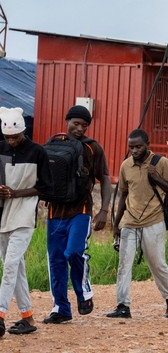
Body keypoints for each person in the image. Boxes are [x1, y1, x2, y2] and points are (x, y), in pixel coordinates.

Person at [45, 105, 113, 324]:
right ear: (67, 122)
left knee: (74, 252)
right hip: (55, 212)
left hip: (81, 211)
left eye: (84, 125)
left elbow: (103, 178)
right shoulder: (54, 144)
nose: (79, 128)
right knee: (56, 260)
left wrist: (103, 211)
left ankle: (83, 292)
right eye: (76, 123)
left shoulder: (93, 148)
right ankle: (61, 308)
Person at [107, 129, 168, 319]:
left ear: (147, 144)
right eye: (131, 147)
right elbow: (123, 194)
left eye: (138, 146)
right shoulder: (126, 166)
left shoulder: (160, 163)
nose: (134, 150)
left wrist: (157, 177)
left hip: (154, 221)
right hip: (130, 222)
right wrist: (116, 223)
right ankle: (123, 305)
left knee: (157, 264)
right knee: (124, 264)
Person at [0, 108, 52, 336]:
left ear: (23, 131)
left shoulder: (37, 152)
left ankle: (0, 314)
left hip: (24, 216)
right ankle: (27, 317)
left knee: (10, 265)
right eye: (7, 137)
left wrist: (16, 193)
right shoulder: (0, 149)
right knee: (16, 267)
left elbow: (46, 187)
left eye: (15, 137)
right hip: (2, 216)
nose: (11, 141)